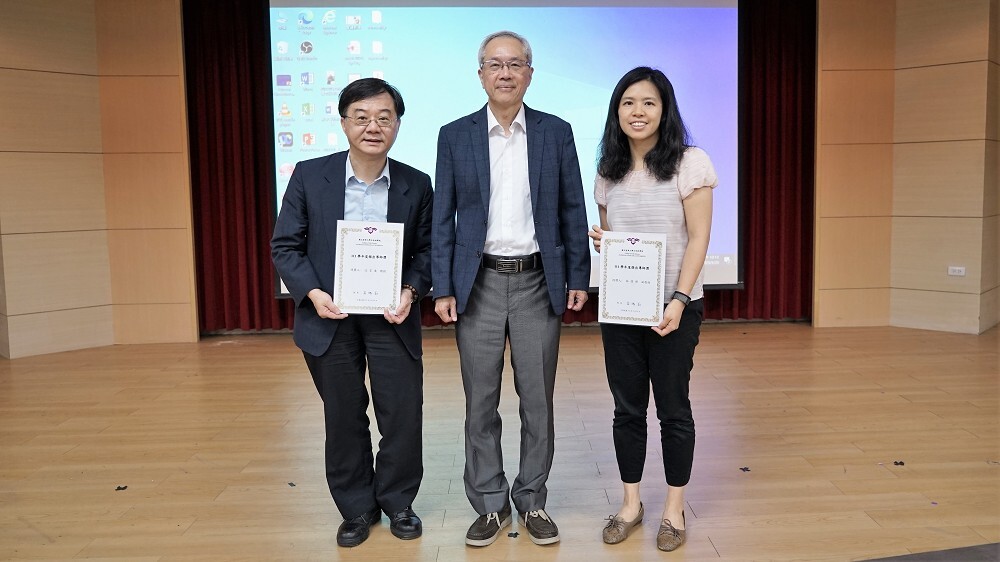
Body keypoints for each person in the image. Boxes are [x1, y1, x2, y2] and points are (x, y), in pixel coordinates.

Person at [431, 30, 591, 547]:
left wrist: (579, 276)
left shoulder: (555, 132)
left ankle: (532, 499)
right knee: (480, 400)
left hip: (536, 281)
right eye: (495, 64)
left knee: (536, 400)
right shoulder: (454, 135)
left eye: (515, 64)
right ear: (480, 74)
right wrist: (442, 286)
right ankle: (489, 503)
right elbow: (442, 217)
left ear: (529, 73)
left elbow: (572, 208)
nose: (505, 73)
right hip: (476, 282)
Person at [271, 78, 432, 548]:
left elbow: (427, 251)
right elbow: (285, 245)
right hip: (329, 316)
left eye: (384, 118)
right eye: (361, 118)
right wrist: (313, 293)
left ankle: (398, 501)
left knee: (402, 413)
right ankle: (357, 508)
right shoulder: (309, 175)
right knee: (343, 415)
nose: (373, 127)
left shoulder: (416, 183)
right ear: (343, 123)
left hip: (391, 317)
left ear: (398, 124)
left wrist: (411, 291)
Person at [588, 67, 716, 552]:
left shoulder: (690, 163)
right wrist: (605, 243)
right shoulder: (609, 170)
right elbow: (614, 237)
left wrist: (679, 301)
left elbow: (699, 238)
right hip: (623, 308)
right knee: (627, 409)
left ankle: (673, 509)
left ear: (665, 110)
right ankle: (630, 504)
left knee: (673, 409)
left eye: (648, 103)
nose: (637, 112)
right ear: (616, 111)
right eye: (628, 103)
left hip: (674, 308)